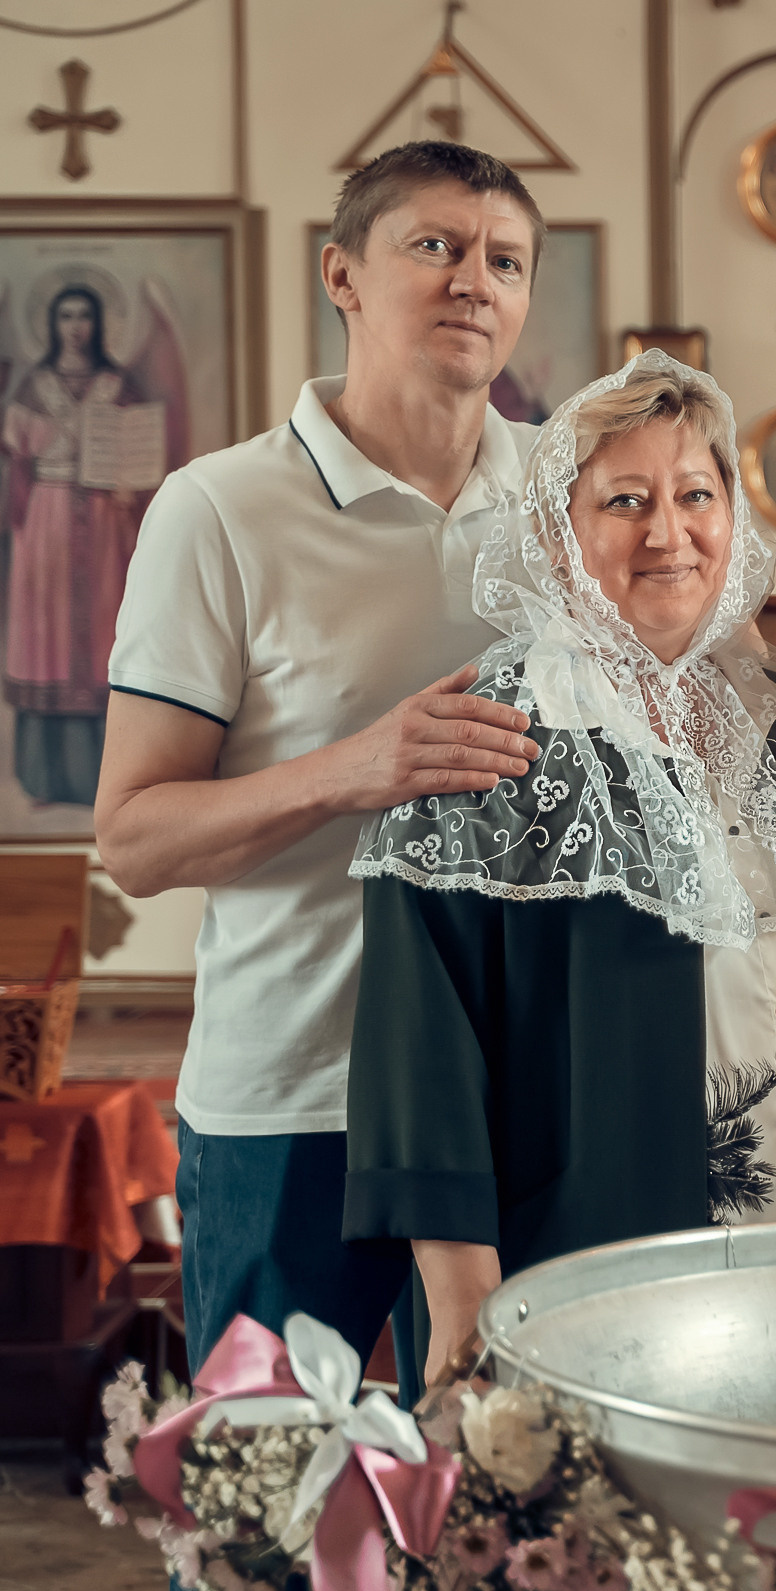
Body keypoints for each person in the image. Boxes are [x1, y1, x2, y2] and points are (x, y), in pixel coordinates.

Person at [94, 141, 545, 1396]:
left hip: (516, 1091)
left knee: (517, 1491)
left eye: (506, 260)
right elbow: (133, 838)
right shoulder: (217, 509)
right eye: (435, 246)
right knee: (273, 1487)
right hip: (296, 1090)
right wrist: (355, 768)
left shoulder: (573, 501)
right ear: (341, 275)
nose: (474, 280)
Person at [343, 352, 776, 1395]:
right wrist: (462, 1303)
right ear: (556, 534)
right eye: (626, 501)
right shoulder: (492, 734)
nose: (670, 532)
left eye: (696, 495)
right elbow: (419, 1043)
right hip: (579, 1264)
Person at [4, 282, 170, 805]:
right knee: (47, 637)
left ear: (98, 323)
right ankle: (44, 779)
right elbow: (16, 462)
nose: (75, 327)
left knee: (105, 637)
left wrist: (129, 487)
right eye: (65, 316)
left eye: (84, 316)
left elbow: (144, 456)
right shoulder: (34, 387)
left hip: (104, 525)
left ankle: (107, 780)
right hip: (46, 525)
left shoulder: (119, 386)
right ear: (51, 324)